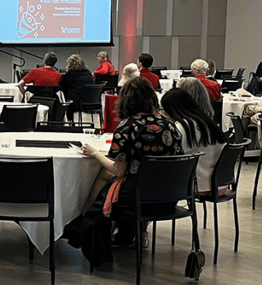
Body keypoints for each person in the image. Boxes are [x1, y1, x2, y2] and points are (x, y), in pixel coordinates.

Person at [72, 78, 182, 268]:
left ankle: (100, 258)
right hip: (169, 197)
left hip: (138, 198)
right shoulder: (170, 125)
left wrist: (95, 153)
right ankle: (125, 236)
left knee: (97, 209)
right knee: (107, 186)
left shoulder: (127, 126)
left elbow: (118, 170)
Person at [161, 88, 227, 194]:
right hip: (221, 183)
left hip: (201, 186)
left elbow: (173, 156)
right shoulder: (207, 121)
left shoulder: (184, 126)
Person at [59, 54, 94, 121]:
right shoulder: (88, 73)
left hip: (75, 103)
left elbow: (62, 86)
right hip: (90, 101)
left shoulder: (70, 74)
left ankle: (67, 120)